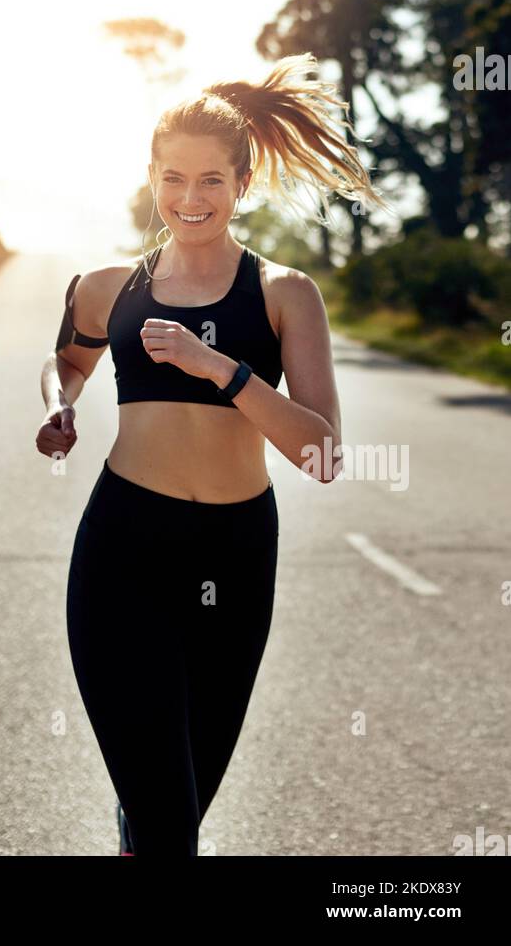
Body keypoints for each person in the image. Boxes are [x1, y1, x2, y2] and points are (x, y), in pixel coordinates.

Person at [35, 52, 392, 857]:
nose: (189, 200)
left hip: (233, 556)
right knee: (170, 829)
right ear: (150, 177)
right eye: (173, 179)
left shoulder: (283, 294)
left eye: (210, 182)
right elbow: (66, 363)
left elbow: (323, 454)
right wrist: (59, 408)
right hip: (123, 547)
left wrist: (221, 369)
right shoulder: (106, 288)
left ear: (242, 184)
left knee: (176, 804)